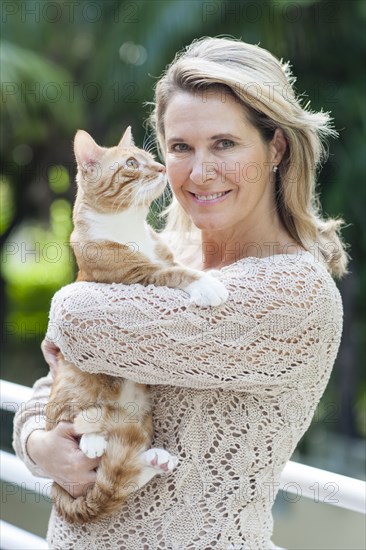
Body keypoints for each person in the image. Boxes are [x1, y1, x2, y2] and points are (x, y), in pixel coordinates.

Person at [13, 37, 349, 549]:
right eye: (180, 148)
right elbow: (53, 385)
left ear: (275, 148)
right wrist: (41, 447)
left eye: (225, 144)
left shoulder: (294, 293)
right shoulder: (165, 253)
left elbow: (77, 320)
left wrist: (70, 314)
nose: (199, 171)